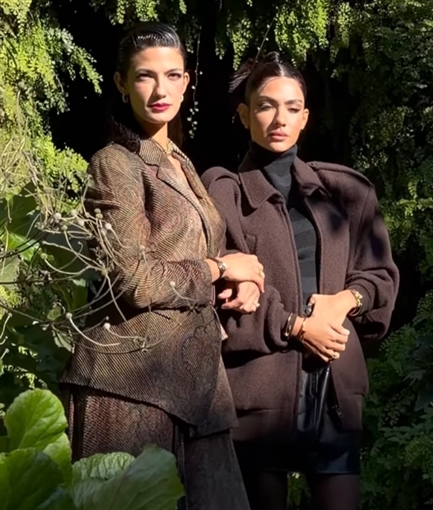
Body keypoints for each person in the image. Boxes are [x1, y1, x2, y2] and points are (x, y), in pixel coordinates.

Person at [61, 22, 265, 510]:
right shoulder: (114, 163)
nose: (160, 90)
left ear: (187, 81)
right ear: (121, 83)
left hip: (199, 387)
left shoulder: (179, 160)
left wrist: (237, 281)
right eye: (145, 76)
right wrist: (218, 269)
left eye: (172, 75)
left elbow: (186, 256)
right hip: (129, 383)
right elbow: (134, 278)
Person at [202, 52, 399, 510]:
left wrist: (345, 300)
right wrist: (296, 325)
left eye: (292, 108)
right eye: (266, 106)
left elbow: (381, 277)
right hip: (257, 396)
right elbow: (219, 296)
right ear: (245, 114)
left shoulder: (346, 191)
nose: (280, 119)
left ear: (305, 117)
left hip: (333, 395)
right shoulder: (222, 194)